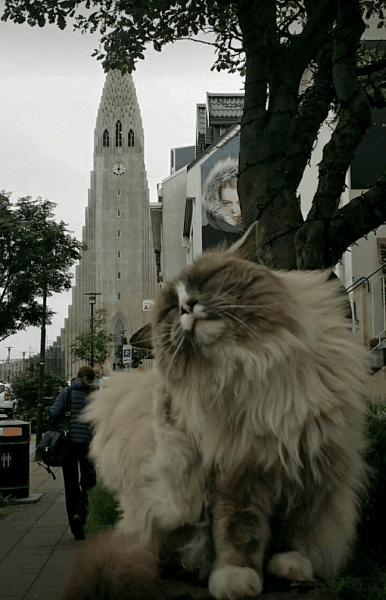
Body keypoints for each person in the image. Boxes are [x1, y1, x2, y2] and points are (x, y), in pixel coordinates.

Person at [49, 366, 97, 540]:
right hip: (87, 446)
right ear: (87, 379)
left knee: (70, 486)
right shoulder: (93, 396)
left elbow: (53, 412)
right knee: (89, 483)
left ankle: (75, 528)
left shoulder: (66, 393)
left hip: (68, 445)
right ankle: (81, 515)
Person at [202, 156, 245, 249]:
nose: (234, 210)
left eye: (239, 202)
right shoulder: (205, 236)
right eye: (227, 203)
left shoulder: (260, 230)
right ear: (216, 201)